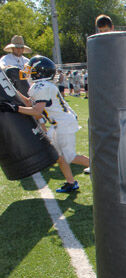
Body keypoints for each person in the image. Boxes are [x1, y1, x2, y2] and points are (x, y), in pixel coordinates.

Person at [0, 56, 89, 193]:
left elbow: (36, 111)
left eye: (31, 69)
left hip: (63, 124)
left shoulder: (43, 87)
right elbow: (29, 103)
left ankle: (101, 167)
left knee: (68, 156)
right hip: (57, 123)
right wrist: (12, 91)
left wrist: (14, 108)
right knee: (58, 156)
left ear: (39, 71)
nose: (28, 71)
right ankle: (71, 183)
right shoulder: (39, 86)